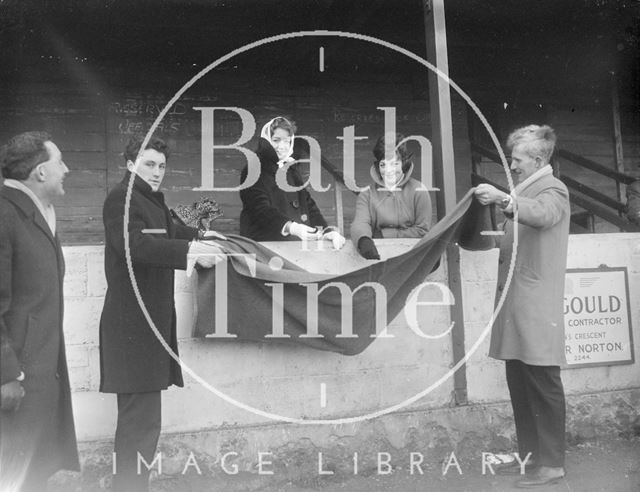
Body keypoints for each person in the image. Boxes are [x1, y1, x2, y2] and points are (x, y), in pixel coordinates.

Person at [99, 136, 222, 492]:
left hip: (147, 324)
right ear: (130, 163)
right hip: (131, 326)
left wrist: (206, 235)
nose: (156, 172)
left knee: (144, 423)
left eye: (161, 166)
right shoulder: (120, 199)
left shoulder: (149, 199)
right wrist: (190, 250)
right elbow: (134, 246)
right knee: (140, 424)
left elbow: (171, 231)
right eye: (149, 164)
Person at [474, 125, 570, 487]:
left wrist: (504, 199)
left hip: (535, 306)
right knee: (520, 384)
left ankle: (552, 465)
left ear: (538, 160)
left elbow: (542, 214)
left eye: (516, 159)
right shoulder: (527, 188)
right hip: (519, 304)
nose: (511, 165)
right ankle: (532, 459)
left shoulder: (553, 189)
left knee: (542, 384)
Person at [0, 131, 79, 491]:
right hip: (16, 380)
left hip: (39, 375)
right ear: (40, 172)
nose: (67, 168)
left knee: (31, 475)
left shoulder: (40, 211)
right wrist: (5, 375)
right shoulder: (5, 213)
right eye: (59, 161)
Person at [239, 116, 345, 249]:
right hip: (262, 247)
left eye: (287, 141)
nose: (281, 146)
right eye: (276, 140)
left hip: (294, 248)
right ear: (266, 140)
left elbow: (308, 206)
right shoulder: (253, 170)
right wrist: (291, 227)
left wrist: (326, 231)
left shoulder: (291, 170)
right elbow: (259, 209)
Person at [351, 133, 433, 259]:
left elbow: (422, 230)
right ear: (378, 167)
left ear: (403, 164)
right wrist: (363, 239)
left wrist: (385, 234)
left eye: (394, 163)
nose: (388, 170)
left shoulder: (419, 191)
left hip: (412, 255)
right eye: (383, 164)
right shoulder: (366, 194)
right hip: (378, 255)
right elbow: (360, 223)